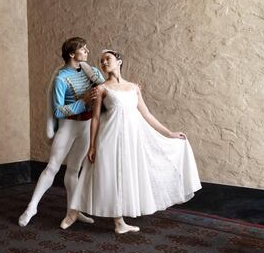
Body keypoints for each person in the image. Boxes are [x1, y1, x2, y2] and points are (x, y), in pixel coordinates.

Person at [64, 50, 201, 234]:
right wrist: (92, 145)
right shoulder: (102, 89)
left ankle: (119, 222)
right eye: (102, 61)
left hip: (130, 140)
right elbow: (95, 118)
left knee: (125, 176)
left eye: (108, 59)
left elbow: (146, 114)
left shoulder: (134, 88)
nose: (104, 63)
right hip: (108, 138)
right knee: (105, 175)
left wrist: (169, 133)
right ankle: (74, 212)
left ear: (119, 61)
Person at [18, 37, 105, 227]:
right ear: (72, 54)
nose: (87, 51)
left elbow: (106, 90)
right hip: (68, 126)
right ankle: (32, 207)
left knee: (74, 169)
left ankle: (72, 211)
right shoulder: (61, 78)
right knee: (52, 168)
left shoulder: (92, 72)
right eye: (83, 49)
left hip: (87, 126)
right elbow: (58, 110)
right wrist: (82, 102)